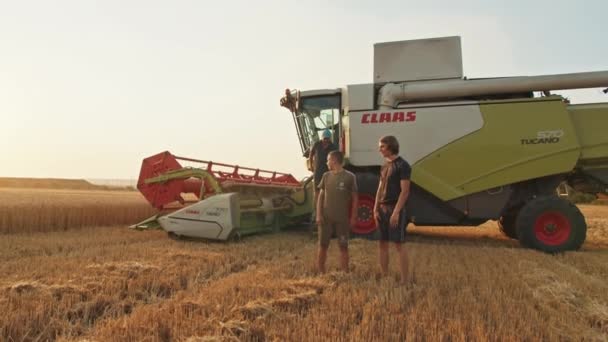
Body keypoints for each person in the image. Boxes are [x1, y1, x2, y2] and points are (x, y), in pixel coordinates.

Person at [373, 135, 412, 285]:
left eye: (382, 146)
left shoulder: (403, 166)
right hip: (382, 209)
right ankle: (385, 276)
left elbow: (405, 191)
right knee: (382, 243)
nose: (379, 149)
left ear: (390, 146)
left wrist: (396, 213)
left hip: (395, 209)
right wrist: (375, 208)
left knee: (399, 245)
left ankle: (405, 280)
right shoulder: (384, 166)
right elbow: (379, 188)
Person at [316, 150, 358, 273]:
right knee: (323, 246)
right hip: (326, 218)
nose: (326, 162)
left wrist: (354, 217)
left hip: (342, 219)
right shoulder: (326, 176)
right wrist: (318, 214)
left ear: (334, 160)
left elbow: (355, 198)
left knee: (343, 246)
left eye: (328, 159)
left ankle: (344, 272)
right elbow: (320, 197)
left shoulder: (350, 177)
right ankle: (321, 271)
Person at [309, 129, 338, 224]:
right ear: (322, 138)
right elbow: (311, 154)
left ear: (330, 139)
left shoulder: (333, 147)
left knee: (327, 194)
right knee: (317, 193)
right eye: (325, 139)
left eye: (328, 139)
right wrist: (311, 165)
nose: (326, 140)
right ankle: (317, 213)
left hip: (328, 173)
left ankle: (326, 214)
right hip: (317, 172)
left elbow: (336, 159)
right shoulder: (317, 144)